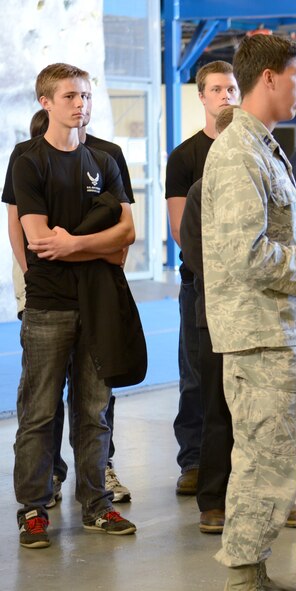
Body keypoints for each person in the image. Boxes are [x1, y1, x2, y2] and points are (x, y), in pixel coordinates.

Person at [201, 35, 296, 589]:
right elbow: (246, 256)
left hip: (278, 333)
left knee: (274, 462)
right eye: (295, 76)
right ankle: (243, 578)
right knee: (264, 466)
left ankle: (252, 569)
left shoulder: (264, 146)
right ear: (267, 78)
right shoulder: (239, 152)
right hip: (259, 336)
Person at [13, 63, 137, 549]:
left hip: (98, 305)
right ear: (46, 103)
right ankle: (33, 509)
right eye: (69, 96)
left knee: (94, 412)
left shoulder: (103, 162)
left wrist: (71, 246)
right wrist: (82, 244)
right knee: (39, 413)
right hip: (48, 306)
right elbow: (39, 239)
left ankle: (97, 505)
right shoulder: (29, 161)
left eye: (85, 95)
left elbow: (126, 237)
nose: (80, 104)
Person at [165, 60, 239, 495]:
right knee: (195, 376)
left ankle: (234, 464)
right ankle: (193, 460)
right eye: (216, 89)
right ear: (202, 96)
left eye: (231, 88)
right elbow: (180, 230)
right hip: (201, 283)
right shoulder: (185, 156)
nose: (225, 96)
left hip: (245, 283)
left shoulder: (253, 149)